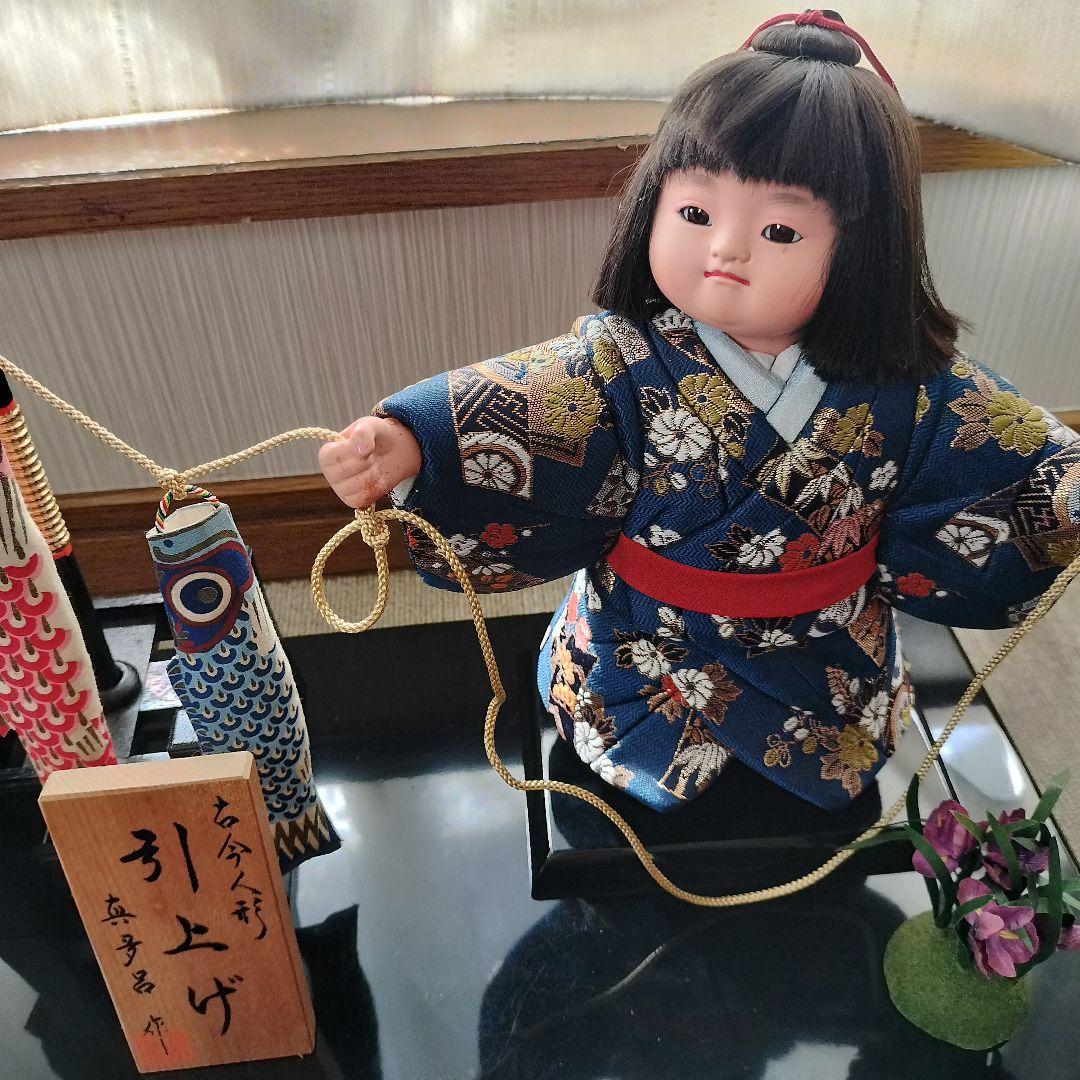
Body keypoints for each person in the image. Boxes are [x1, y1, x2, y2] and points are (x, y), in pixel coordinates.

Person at [319, 11, 1080, 814]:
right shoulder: (619, 361)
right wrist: (414, 442)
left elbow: (1018, 462)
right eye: (694, 213)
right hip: (643, 654)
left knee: (823, 781)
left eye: (779, 228)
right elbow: (528, 403)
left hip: (823, 668)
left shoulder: (911, 386)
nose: (726, 248)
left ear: (867, 246)